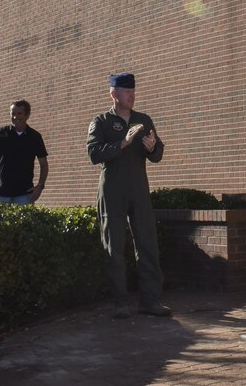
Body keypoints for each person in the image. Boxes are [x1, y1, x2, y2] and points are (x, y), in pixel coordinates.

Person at [86, 73, 171, 319]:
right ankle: (120, 303)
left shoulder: (143, 120)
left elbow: (157, 155)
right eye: (127, 92)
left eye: (134, 91)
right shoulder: (101, 121)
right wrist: (122, 143)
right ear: (114, 94)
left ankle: (151, 301)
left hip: (139, 190)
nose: (132, 96)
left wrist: (152, 147)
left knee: (148, 246)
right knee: (114, 248)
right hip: (112, 190)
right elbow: (93, 153)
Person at [0, 99, 48, 204]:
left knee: (25, 221)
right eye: (12, 114)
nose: (15, 117)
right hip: (0, 193)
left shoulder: (35, 137)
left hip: (24, 194)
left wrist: (40, 186)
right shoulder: (2, 132)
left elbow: (44, 164)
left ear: (27, 115)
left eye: (19, 113)